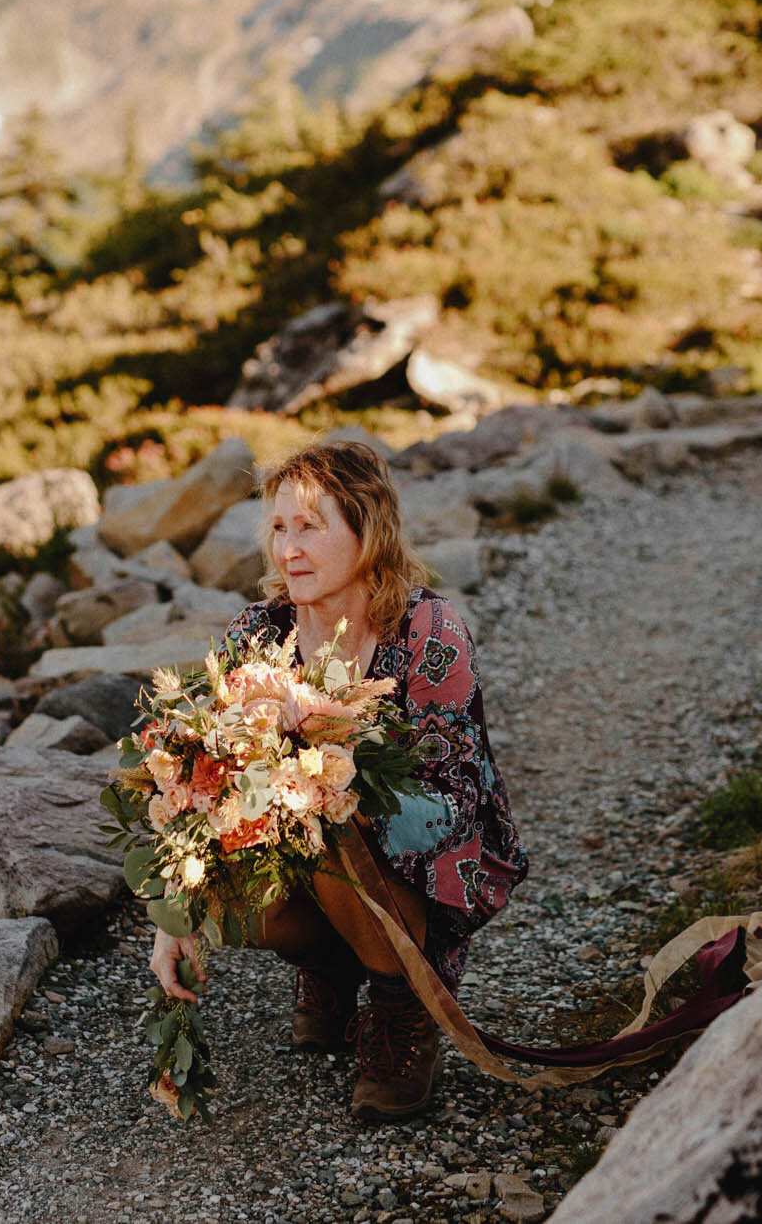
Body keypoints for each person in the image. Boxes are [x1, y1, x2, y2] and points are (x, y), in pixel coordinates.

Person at [146, 439, 526, 1120]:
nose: (288, 548)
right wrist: (173, 911)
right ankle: (331, 966)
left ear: (368, 527)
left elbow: (453, 809)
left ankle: (402, 999)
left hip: (418, 874)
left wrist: (333, 753)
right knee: (239, 851)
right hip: (309, 865)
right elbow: (203, 786)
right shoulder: (256, 636)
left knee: (321, 807)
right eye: (279, 527)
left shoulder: (428, 633)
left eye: (310, 526)